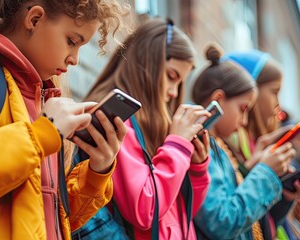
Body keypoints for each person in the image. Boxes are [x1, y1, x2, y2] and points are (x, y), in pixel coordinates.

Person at [0, 0, 129, 239]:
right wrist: (42, 134)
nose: (75, 59)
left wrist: (97, 171)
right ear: (34, 19)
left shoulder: (42, 99)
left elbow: (44, 214)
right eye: (72, 41)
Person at [74, 18, 211, 240]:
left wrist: (197, 169)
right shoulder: (117, 120)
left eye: (180, 83)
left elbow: (181, 214)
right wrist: (176, 146)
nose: (174, 93)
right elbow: (146, 209)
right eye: (171, 76)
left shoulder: (152, 124)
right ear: (148, 62)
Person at [192, 43, 296, 240]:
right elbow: (221, 221)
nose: (245, 121)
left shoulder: (218, 146)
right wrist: (265, 173)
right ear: (219, 99)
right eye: (243, 108)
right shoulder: (200, 145)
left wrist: (256, 167)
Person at [223, 49, 300, 239]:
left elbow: (266, 221)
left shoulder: (257, 143)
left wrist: (285, 197)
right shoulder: (226, 145)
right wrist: (260, 170)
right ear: (250, 88)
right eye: (274, 92)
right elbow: (230, 216)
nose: (277, 103)